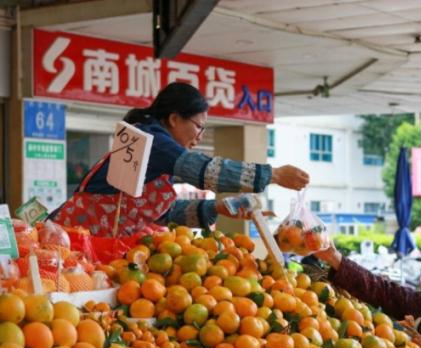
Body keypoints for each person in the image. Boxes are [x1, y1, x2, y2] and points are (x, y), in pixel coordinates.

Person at [51, 82, 309, 237]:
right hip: (71, 239)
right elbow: (205, 170)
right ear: (174, 119)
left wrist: (218, 208)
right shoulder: (154, 141)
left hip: (94, 241)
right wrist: (272, 174)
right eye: (198, 126)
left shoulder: (155, 149)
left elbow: (162, 214)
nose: (199, 137)